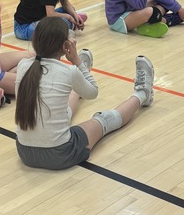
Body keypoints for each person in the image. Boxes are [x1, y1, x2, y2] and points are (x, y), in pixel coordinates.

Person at [14, 17, 154, 170]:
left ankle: (80, 80)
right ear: (65, 46)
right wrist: (76, 61)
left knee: (61, 110)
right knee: (103, 119)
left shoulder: (23, 66)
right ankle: (143, 93)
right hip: (60, 154)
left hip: (24, 152)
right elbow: (93, 92)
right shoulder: (69, 71)